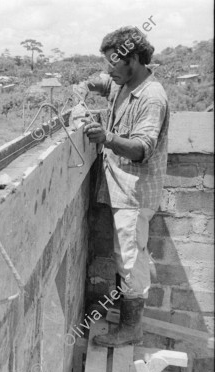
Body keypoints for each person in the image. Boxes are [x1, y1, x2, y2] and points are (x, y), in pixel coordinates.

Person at [74, 26, 169, 348]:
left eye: (114, 63)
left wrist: (107, 139)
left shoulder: (151, 97)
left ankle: (132, 328)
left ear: (136, 60)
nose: (109, 70)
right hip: (123, 188)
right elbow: (104, 83)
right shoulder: (124, 82)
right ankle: (125, 316)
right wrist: (90, 82)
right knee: (125, 254)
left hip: (135, 191)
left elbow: (143, 148)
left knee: (130, 259)